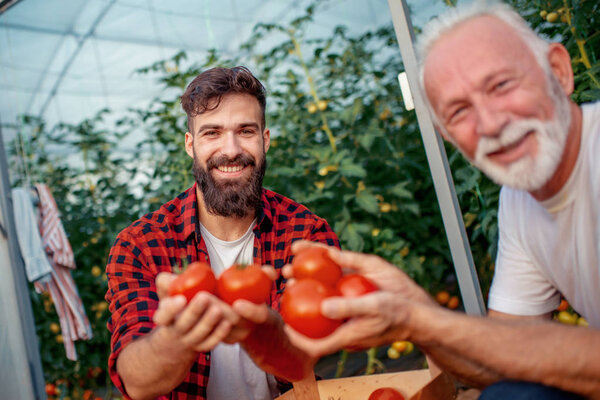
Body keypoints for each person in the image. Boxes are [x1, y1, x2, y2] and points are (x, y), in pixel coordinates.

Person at [282, 2, 600, 399]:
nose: (490, 124)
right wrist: (417, 317)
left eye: (501, 85)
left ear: (559, 71)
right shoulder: (519, 203)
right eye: (459, 110)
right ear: (447, 136)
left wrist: (426, 321)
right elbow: (501, 364)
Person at [105, 66, 339, 400]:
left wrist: (266, 331)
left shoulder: (305, 235)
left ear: (265, 139)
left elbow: (301, 362)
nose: (230, 150)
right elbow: (138, 383)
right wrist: (179, 337)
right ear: (190, 144)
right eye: (211, 133)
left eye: (245, 131)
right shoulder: (140, 245)